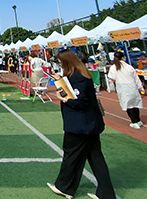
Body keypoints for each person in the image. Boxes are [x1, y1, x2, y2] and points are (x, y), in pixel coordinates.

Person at [48, 49, 116, 199]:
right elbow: (72, 91)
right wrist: (60, 80)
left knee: (71, 155)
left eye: (61, 62)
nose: (60, 65)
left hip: (81, 125)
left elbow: (79, 101)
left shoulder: (79, 77)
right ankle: (106, 193)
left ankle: (65, 187)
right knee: (95, 158)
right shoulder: (80, 75)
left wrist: (64, 99)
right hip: (88, 124)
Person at [108, 51, 145, 129]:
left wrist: (112, 87)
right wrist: (140, 87)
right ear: (123, 58)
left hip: (122, 88)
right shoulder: (129, 67)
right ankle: (138, 120)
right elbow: (136, 78)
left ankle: (134, 121)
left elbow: (112, 78)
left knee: (128, 105)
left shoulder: (114, 67)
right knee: (135, 104)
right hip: (132, 86)